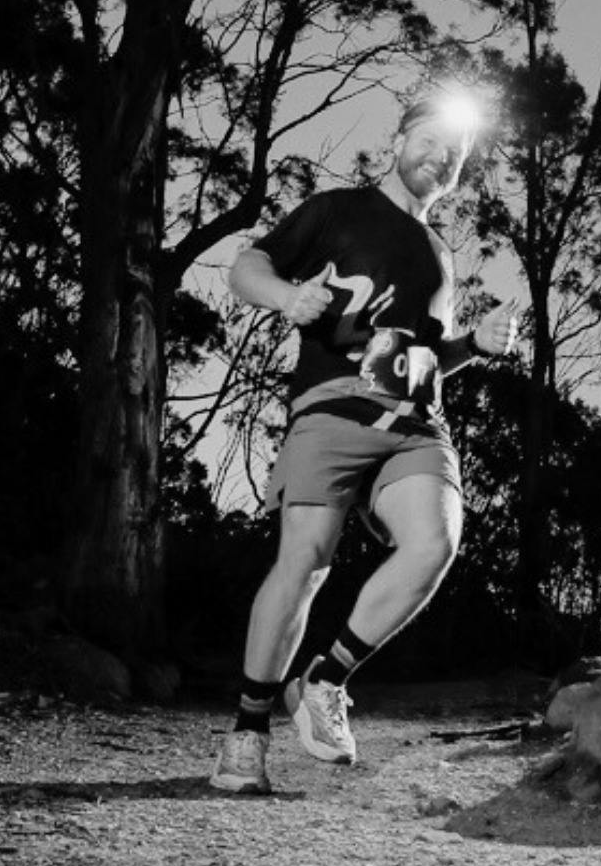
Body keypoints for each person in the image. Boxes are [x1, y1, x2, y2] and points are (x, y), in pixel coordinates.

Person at [211, 93, 518, 794]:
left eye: (457, 155)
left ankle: (325, 680)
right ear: (403, 136)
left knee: (434, 543)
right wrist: (286, 299)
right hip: (331, 410)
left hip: (416, 424)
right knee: (306, 563)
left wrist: (476, 344)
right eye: (433, 140)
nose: (442, 158)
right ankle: (247, 733)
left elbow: (425, 354)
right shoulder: (337, 209)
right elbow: (245, 268)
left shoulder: (439, 251)